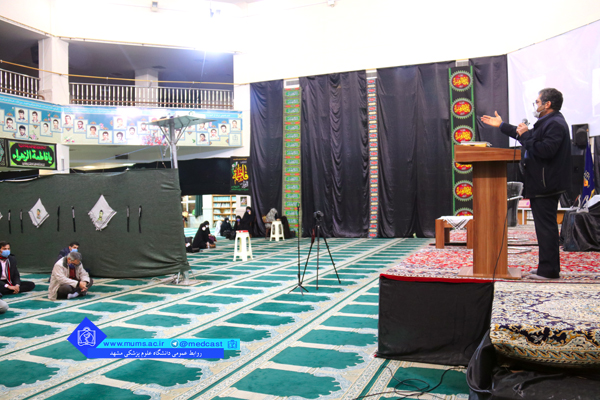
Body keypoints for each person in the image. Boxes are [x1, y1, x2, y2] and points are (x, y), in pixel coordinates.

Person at [481, 88, 571, 280]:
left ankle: (549, 271)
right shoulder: (548, 121)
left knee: (546, 228)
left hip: (546, 184)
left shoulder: (555, 124)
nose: (535, 106)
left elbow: (545, 150)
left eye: (537, 102)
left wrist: (525, 136)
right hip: (542, 182)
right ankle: (546, 268)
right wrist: (502, 125)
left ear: (547, 104)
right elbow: (528, 138)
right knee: (544, 228)